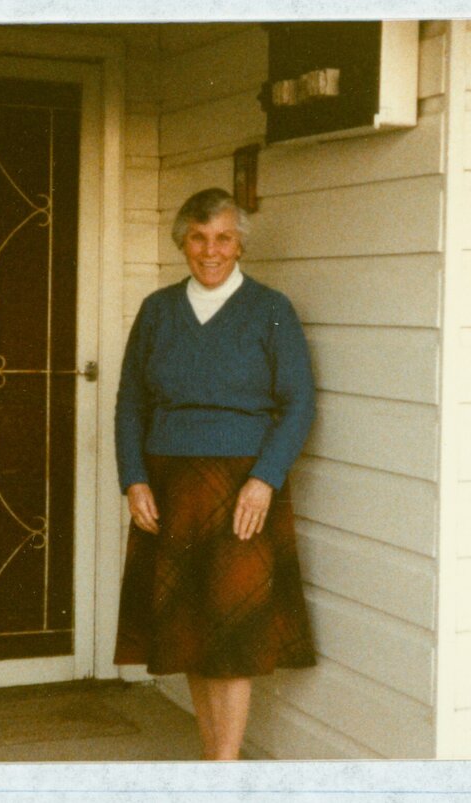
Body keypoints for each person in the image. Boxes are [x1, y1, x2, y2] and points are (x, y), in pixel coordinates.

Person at [113, 187, 317, 760]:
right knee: (187, 634)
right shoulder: (157, 311)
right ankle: (214, 764)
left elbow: (299, 402)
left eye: (223, 238)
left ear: (240, 244)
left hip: (243, 487)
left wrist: (266, 478)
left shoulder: (270, 310)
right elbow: (130, 402)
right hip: (170, 486)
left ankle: (223, 772)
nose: (211, 250)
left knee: (231, 638)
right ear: (183, 242)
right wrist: (134, 478)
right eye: (199, 238)